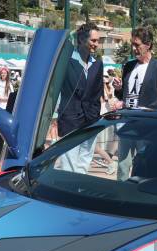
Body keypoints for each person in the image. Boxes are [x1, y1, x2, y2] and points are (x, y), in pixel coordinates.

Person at [113, 26, 157, 180]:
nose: (134, 48)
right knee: (122, 167)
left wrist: (146, 109)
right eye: (132, 44)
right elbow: (124, 96)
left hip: (147, 127)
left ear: (148, 45)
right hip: (126, 124)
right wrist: (119, 89)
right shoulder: (128, 66)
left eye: (137, 45)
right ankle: (119, 197)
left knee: (143, 166)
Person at [56, 23, 104, 174]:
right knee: (68, 164)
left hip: (90, 120)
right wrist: (57, 115)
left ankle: (77, 192)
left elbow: (97, 93)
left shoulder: (97, 64)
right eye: (94, 40)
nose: (96, 44)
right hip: (70, 120)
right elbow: (56, 89)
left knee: (84, 163)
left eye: (98, 41)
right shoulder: (66, 60)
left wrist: (95, 115)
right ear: (82, 39)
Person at [93, 73, 117, 175]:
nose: (104, 78)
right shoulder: (97, 87)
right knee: (93, 144)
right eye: (103, 76)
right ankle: (109, 160)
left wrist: (104, 86)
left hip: (104, 118)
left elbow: (109, 100)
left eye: (106, 77)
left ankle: (110, 161)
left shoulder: (110, 88)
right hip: (97, 117)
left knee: (93, 145)